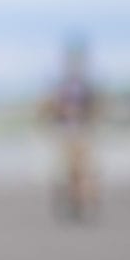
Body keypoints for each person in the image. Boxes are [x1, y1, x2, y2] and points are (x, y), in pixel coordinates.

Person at [40, 40, 98, 221]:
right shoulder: (61, 86)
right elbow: (50, 108)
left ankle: (79, 201)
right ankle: (68, 199)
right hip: (65, 132)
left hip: (81, 131)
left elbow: (95, 108)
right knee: (65, 170)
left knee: (81, 170)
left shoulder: (85, 86)